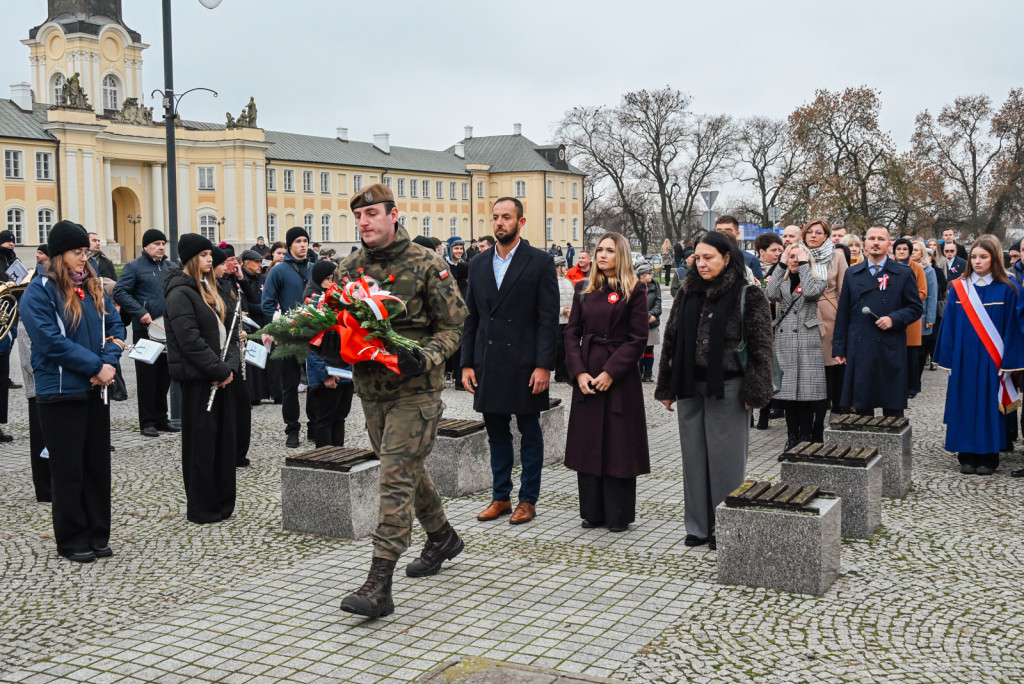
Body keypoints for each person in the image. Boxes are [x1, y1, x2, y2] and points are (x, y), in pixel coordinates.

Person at [315, 183, 467, 618]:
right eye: (358, 217)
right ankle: (441, 537)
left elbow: (454, 326)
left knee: (394, 479)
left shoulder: (427, 264)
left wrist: (427, 356)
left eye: (372, 215)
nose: (364, 223)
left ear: (393, 215)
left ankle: (378, 585)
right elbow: (338, 323)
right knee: (401, 469)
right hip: (372, 393)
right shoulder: (348, 269)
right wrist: (324, 339)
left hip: (416, 391)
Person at [655, 231, 774, 549]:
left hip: (731, 386)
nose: (701, 263)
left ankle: (725, 525)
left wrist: (755, 390)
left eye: (709, 257)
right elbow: (672, 337)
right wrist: (666, 384)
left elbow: (762, 347)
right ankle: (698, 526)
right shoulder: (687, 290)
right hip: (689, 385)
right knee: (694, 460)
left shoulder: (748, 293)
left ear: (726, 257)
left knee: (726, 463)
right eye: (698, 257)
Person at [20, 221, 124, 563]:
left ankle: (98, 534)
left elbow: (115, 327)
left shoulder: (92, 285)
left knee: (97, 465)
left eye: (86, 253)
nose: (83, 259)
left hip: (96, 390)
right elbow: (51, 342)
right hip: (61, 391)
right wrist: (95, 367)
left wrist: (107, 362)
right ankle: (72, 539)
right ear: (58, 254)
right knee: (68, 468)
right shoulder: (40, 291)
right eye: (77, 253)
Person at [462, 197, 558, 526]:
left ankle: (528, 500)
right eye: (496, 217)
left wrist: (544, 365)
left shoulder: (540, 262)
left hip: (526, 362)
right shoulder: (478, 263)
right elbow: (471, 318)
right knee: (496, 432)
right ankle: (500, 496)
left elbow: (547, 319)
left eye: (506, 217)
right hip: (489, 361)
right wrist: (466, 363)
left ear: (521, 221)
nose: (500, 222)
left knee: (530, 431)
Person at [564, 231, 650, 531]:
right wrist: (579, 372)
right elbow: (571, 333)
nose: (602, 255)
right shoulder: (583, 288)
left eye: (610, 251)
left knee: (618, 445)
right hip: (587, 375)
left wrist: (611, 372)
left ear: (621, 255)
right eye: (599, 250)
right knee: (588, 443)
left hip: (619, 379)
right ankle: (592, 512)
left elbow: (638, 339)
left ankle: (617, 515)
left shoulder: (634, 290)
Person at [164, 234, 239, 524]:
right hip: (199, 380)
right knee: (202, 446)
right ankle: (203, 506)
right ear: (193, 258)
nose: (211, 259)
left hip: (221, 377)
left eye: (211, 254)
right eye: (205, 254)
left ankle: (222, 502)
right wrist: (218, 370)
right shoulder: (180, 293)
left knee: (222, 443)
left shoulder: (211, 289)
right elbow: (189, 340)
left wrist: (229, 366)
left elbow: (229, 332)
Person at [933, 235, 1024, 475]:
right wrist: (949, 356)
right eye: (974, 257)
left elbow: (1014, 327)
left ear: (994, 258)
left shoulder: (1009, 288)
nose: (977, 261)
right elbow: (950, 324)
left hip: (992, 360)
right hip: (964, 358)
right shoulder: (959, 288)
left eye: (983, 257)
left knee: (989, 406)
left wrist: (1010, 362)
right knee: (964, 403)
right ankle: (966, 455)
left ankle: (988, 456)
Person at [833, 226, 923, 417]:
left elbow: (915, 308)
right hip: (860, 346)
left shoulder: (903, 273)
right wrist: (839, 348)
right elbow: (843, 314)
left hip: (890, 346)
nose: (875, 242)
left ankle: (893, 445)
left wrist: (894, 318)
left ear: (888, 244)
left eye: (881, 239)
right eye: (871, 238)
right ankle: (864, 446)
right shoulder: (852, 273)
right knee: (862, 405)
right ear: (864, 243)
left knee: (892, 407)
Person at [113, 229, 178, 438]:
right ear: (145, 247)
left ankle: (161, 418)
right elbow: (120, 292)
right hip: (145, 330)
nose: (161, 247)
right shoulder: (134, 267)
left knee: (164, 377)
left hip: (167, 330)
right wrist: (140, 311)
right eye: (156, 243)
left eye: (163, 243)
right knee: (147, 377)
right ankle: (147, 421)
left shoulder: (171, 267)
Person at [766, 243, 827, 454]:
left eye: (797, 257)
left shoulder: (818, 280)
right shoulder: (782, 281)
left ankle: (805, 439)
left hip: (807, 341)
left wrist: (803, 265)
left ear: (806, 260)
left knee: (807, 397)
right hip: (785, 343)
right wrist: (781, 264)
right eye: (790, 257)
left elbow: (810, 292)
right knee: (788, 397)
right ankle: (791, 441)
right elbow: (770, 293)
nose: (794, 260)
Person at [261, 227, 314, 448]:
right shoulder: (279, 271)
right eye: (298, 241)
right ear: (290, 245)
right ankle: (292, 430)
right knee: (290, 386)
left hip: (315, 334)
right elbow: (267, 303)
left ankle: (314, 426)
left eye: (305, 241)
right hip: (289, 336)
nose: (303, 245)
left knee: (316, 383)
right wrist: (280, 327)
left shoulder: (314, 268)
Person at [802, 219, 849, 437]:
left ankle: (823, 420)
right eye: (809, 232)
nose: (812, 235)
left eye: (818, 232)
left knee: (828, 371)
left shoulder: (837, 255)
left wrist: (844, 319)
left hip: (830, 316)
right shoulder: (799, 253)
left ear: (826, 235)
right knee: (808, 373)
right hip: (804, 314)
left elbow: (844, 289)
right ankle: (806, 421)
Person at [304, 260, 353, 447]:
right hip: (326, 374)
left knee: (340, 417)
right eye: (328, 279)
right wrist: (326, 374)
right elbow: (313, 347)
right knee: (325, 419)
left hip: (345, 371)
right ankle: (325, 461)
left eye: (335, 279)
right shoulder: (314, 304)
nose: (333, 283)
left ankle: (338, 459)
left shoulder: (341, 303)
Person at [893, 238, 928, 399]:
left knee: (911, 354)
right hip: (892, 314)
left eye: (905, 249)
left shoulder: (917, 269)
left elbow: (923, 291)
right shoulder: (889, 267)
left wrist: (907, 300)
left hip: (911, 316)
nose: (901, 252)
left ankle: (912, 387)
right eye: (898, 249)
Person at [911, 239, 939, 383]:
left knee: (920, 350)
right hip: (906, 315)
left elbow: (932, 295)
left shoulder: (929, 270)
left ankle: (916, 380)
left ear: (922, 252)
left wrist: (930, 318)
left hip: (922, 314)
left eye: (916, 250)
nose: (912, 252)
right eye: (911, 249)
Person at [715, 215, 763, 281]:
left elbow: (757, 286)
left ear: (737, 234)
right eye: (719, 231)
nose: (723, 234)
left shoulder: (751, 260)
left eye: (728, 231)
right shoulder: (705, 258)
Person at [636, 262, 661, 382]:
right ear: (642, 275)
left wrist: (652, 314)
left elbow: (658, 302)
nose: (651, 275)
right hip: (638, 322)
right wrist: (644, 315)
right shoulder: (633, 286)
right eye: (649, 273)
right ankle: (638, 372)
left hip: (652, 321)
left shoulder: (655, 285)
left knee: (649, 349)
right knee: (639, 349)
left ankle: (648, 374)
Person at [553, 256, 575, 383]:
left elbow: (573, 298)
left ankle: (567, 372)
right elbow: (550, 304)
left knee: (569, 347)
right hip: (558, 321)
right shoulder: (551, 282)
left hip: (568, 320)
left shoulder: (568, 282)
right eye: (563, 265)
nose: (566, 267)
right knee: (559, 348)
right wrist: (562, 311)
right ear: (558, 267)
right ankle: (559, 373)